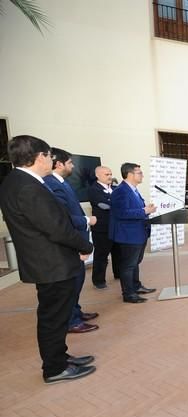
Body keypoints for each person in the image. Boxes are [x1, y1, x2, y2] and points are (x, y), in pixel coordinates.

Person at [0, 135, 96, 383]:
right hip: (51, 263)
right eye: (50, 157)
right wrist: (84, 244)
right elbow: (56, 227)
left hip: (48, 261)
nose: (51, 161)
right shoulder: (27, 186)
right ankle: (55, 369)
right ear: (40, 156)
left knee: (56, 316)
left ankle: (60, 358)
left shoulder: (17, 181)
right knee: (53, 319)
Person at [43, 148, 99, 334]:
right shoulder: (52, 184)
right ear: (59, 164)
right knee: (72, 284)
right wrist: (86, 220)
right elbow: (63, 217)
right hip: (70, 242)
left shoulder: (62, 183)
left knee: (77, 281)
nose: (73, 166)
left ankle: (76, 312)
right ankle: (72, 321)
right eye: (70, 163)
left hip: (76, 240)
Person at [110, 163, 158, 304]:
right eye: (139, 173)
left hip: (138, 233)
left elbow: (134, 209)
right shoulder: (121, 191)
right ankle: (128, 294)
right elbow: (121, 213)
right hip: (128, 235)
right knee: (128, 265)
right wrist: (144, 211)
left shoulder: (133, 190)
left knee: (135, 263)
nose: (142, 175)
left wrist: (145, 208)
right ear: (130, 174)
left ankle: (136, 286)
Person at [88, 166, 121, 290]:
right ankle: (99, 280)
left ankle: (118, 274)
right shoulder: (93, 189)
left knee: (118, 252)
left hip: (116, 226)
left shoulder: (115, 188)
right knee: (102, 255)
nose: (109, 176)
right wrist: (117, 204)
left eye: (110, 174)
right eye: (106, 174)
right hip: (102, 228)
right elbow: (104, 205)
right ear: (98, 175)